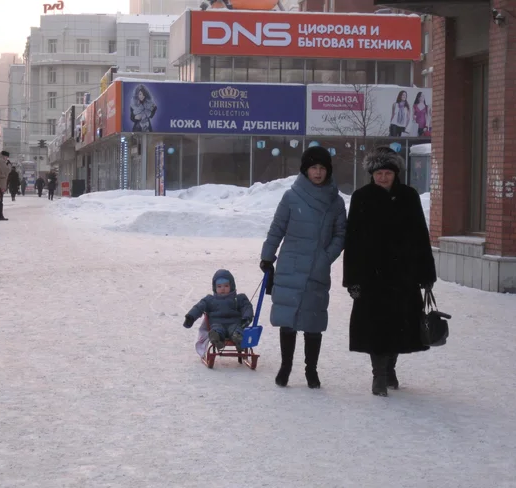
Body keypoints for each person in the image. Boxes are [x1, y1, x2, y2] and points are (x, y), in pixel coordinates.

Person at [342, 147, 436, 397]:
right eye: (378, 173)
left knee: (401, 326)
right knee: (376, 328)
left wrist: (426, 274)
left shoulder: (409, 196)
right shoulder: (361, 197)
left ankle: (390, 368)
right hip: (371, 277)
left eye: (387, 173)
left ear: (395, 174)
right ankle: (378, 376)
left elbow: (420, 237)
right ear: (371, 174)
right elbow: (352, 241)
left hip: (403, 276)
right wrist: (352, 280)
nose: (383, 177)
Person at [260, 146, 346, 389]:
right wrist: (267, 256)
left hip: (317, 269)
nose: (318, 173)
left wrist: (325, 257)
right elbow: (277, 228)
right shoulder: (291, 196)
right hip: (290, 264)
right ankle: (285, 366)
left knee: (313, 321)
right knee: (288, 319)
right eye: (313, 168)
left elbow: (341, 235)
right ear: (305, 170)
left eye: (322, 168)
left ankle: (311, 370)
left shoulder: (335, 202)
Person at [183, 269, 254, 351]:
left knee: (236, 330)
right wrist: (190, 317)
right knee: (216, 329)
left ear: (232, 286)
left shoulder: (239, 298)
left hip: (234, 324)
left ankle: (238, 339)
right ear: (214, 287)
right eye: (219, 286)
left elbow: (247, 307)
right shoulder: (210, 300)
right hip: (217, 323)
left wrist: (247, 317)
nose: (223, 289)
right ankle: (216, 338)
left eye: (226, 286)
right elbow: (199, 307)